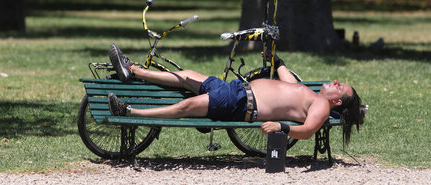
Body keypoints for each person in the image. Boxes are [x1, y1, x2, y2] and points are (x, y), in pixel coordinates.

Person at [107, 44, 364, 144]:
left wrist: (281, 128)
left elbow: (307, 131)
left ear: (337, 101)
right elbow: (285, 77)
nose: (336, 81)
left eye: (340, 87)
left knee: (186, 107)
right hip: (234, 90)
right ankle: (132, 70)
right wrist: (277, 59)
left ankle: (130, 112)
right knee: (186, 75)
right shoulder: (309, 92)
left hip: (241, 102)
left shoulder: (320, 105)